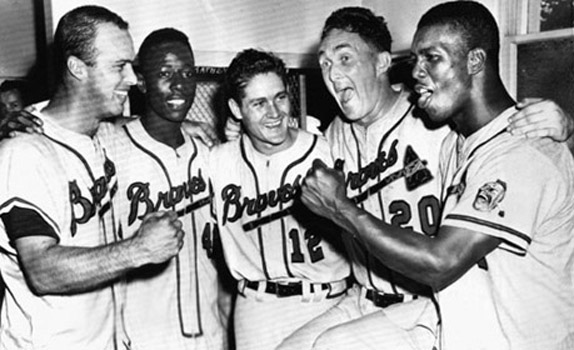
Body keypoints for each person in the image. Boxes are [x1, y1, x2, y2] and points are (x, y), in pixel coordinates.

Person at [278, 6, 573, 350]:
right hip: (458, 321)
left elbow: (440, 262)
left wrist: (567, 126)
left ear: (475, 61)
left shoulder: (518, 150)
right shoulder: (464, 142)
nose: (417, 71)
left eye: (432, 58)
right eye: (416, 59)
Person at [0, 6, 184, 349]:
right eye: (119, 66)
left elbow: (136, 128)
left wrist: (193, 125)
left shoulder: (100, 134)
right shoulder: (23, 152)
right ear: (76, 68)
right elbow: (41, 269)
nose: (132, 78)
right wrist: (139, 249)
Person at [209, 49, 351, 350]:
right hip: (256, 308)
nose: (274, 113)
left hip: (325, 303)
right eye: (259, 103)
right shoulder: (216, 162)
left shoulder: (328, 152)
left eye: (280, 97)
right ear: (236, 108)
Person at [108, 28, 227, 349]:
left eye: (187, 73)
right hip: (143, 336)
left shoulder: (209, 152)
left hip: (209, 333)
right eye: (164, 74)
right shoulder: (111, 147)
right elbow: (66, 120)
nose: (179, 84)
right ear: (142, 81)